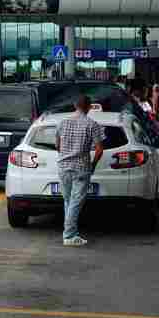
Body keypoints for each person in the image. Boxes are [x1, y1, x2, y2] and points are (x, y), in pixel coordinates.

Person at [55, 95, 105, 246]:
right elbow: (99, 150)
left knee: (68, 201)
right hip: (81, 168)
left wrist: (65, 155)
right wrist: (93, 165)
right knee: (75, 202)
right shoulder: (92, 124)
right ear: (89, 107)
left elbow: (57, 145)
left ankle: (71, 233)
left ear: (75, 105)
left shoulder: (62, 122)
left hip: (63, 167)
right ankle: (69, 235)